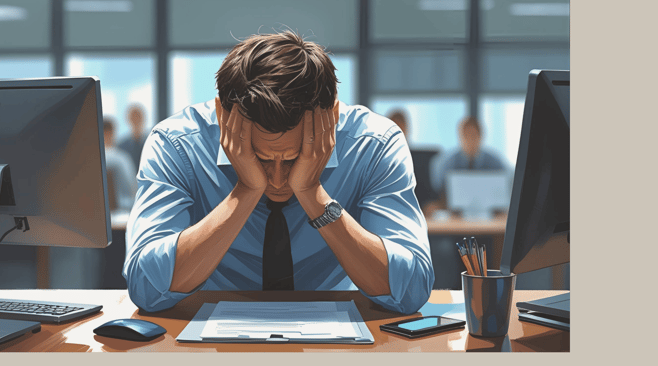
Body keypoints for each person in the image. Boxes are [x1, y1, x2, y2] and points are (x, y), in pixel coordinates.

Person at [123, 31, 434, 314]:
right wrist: (245, 191)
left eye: (292, 159)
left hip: (340, 339)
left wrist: (314, 195)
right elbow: (147, 288)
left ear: (332, 118)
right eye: (259, 158)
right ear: (222, 115)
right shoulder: (177, 145)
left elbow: (410, 290)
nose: (276, 180)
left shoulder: (374, 145)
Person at [429, 116, 507, 209]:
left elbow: (502, 195)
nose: (469, 140)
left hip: (489, 215)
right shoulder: (448, 163)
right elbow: (441, 194)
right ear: (459, 137)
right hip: (455, 215)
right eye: (465, 136)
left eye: (473, 135)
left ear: (481, 136)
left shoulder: (495, 163)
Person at [103, 118, 137, 211]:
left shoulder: (91, 160)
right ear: (111, 133)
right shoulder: (122, 158)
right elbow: (132, 187)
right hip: (122, 209)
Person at [118, 104, 148, 169]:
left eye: (138, 116)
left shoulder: (153, 144)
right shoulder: (121, 146)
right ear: (128, 119)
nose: (136, 120)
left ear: (143, 118)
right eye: (133, 117)